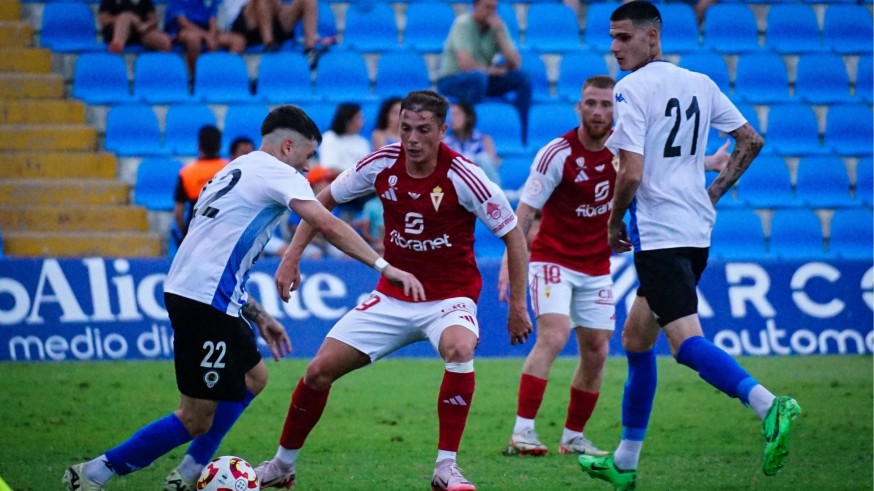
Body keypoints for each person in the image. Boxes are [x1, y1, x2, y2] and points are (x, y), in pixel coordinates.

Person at [62, 105, 424, 491]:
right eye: (306, 156)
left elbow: (216, 252)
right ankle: (93, 474)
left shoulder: (235, 169)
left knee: (254, 377)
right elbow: (325, 222)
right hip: (204, 302)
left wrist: (258, 315)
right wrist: (385, 267)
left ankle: (188, 473)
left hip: (207, 294)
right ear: (287, 147)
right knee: (195, 417)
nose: (307, 168)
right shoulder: (278, 173)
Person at [254, 90, 534, 490]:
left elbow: (514, 236)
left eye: (423, 130)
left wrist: (518, 305)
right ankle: (282, 465)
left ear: (441, 131)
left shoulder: (465, 176)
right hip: (391, 296)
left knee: (459, 348)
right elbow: (323, 201)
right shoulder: (382, 163)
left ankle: (446, 468)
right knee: (317, 372)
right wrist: (292, 256)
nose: (413, 139)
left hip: (449, 298)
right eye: (405, 129)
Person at [577, 3, 800, 490]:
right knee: (637, 340)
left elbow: (630, 172)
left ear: (652, 38)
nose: (614, 48)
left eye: (623, 37)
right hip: (695, 231)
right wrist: (712, 194)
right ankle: (625, 461)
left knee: (683, 345)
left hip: (658, 235)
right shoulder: (700, 82)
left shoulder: (631, 89)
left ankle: (768, 403)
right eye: (612, 38)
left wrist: (613, 222)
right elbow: (750, 140)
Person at [499, 75, 732, 460]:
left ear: (617, 111)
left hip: (595, 266)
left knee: (597, 350)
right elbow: (524, 214)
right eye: (590, 103)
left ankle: (573, 435)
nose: (598, 111)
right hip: (552, 260)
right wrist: (511, 263)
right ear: (579, 107)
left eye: (606, 105)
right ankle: (522, 432)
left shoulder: (625, 154)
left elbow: (666, 167)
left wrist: (710, 163)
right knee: (554, 336)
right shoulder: (557, 153)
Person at [436, 0, 532, 144]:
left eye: (494, 8)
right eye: (487, 7)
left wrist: (499, 34)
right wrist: (493, 71)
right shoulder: (463, 24)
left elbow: (515, 63)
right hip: (452, 80)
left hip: (482, 79)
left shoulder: (497, 26)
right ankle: (471, 132)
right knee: (478, 78)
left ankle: (522, 131)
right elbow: (466, 64)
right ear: (475, 7)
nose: (491, 11)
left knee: (523, 78)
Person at [221, 0, 325, 64]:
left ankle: (310, 49)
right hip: (244, 25)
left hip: (271, 17)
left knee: (308, 0)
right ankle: (269, 43)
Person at [172, 125, 227, 245]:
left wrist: (184, 232)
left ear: (199, 145)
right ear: (219, 145)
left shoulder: (187, 172)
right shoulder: (230, 169)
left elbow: (178, 211)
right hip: (223, 231)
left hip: (196, 231)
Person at [164, 0, 245, 70]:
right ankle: (196, 77)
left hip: (206, 30)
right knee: (193, 38)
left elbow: (213, 19)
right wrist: (206, 36)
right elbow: (183, 22)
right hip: (183, 31)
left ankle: (226, 72)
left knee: (238, 40)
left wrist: (212, 36)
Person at [444, 102, 500, 185]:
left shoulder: (485, 140)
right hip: (458, 188)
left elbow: (493, 167)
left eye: (456, 114)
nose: (452, 119)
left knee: (484, 158)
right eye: (451, 115)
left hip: (484, 186)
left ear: (468, 117)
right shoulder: (445, 143)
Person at [98, 0, 172, 54]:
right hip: (116, 31)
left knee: (162, 41)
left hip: (140, 32)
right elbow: (104, 20)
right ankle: (116, 46)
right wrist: (129, 18)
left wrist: (145, 25)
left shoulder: (144, 1)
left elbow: (153, 20)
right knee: (126, 17)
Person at [319, 102, 372, 174]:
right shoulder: (329, 138)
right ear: (346, 120)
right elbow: (329, 168)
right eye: (358, 118)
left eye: (362, 118)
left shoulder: (363, 142)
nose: (362, 122)